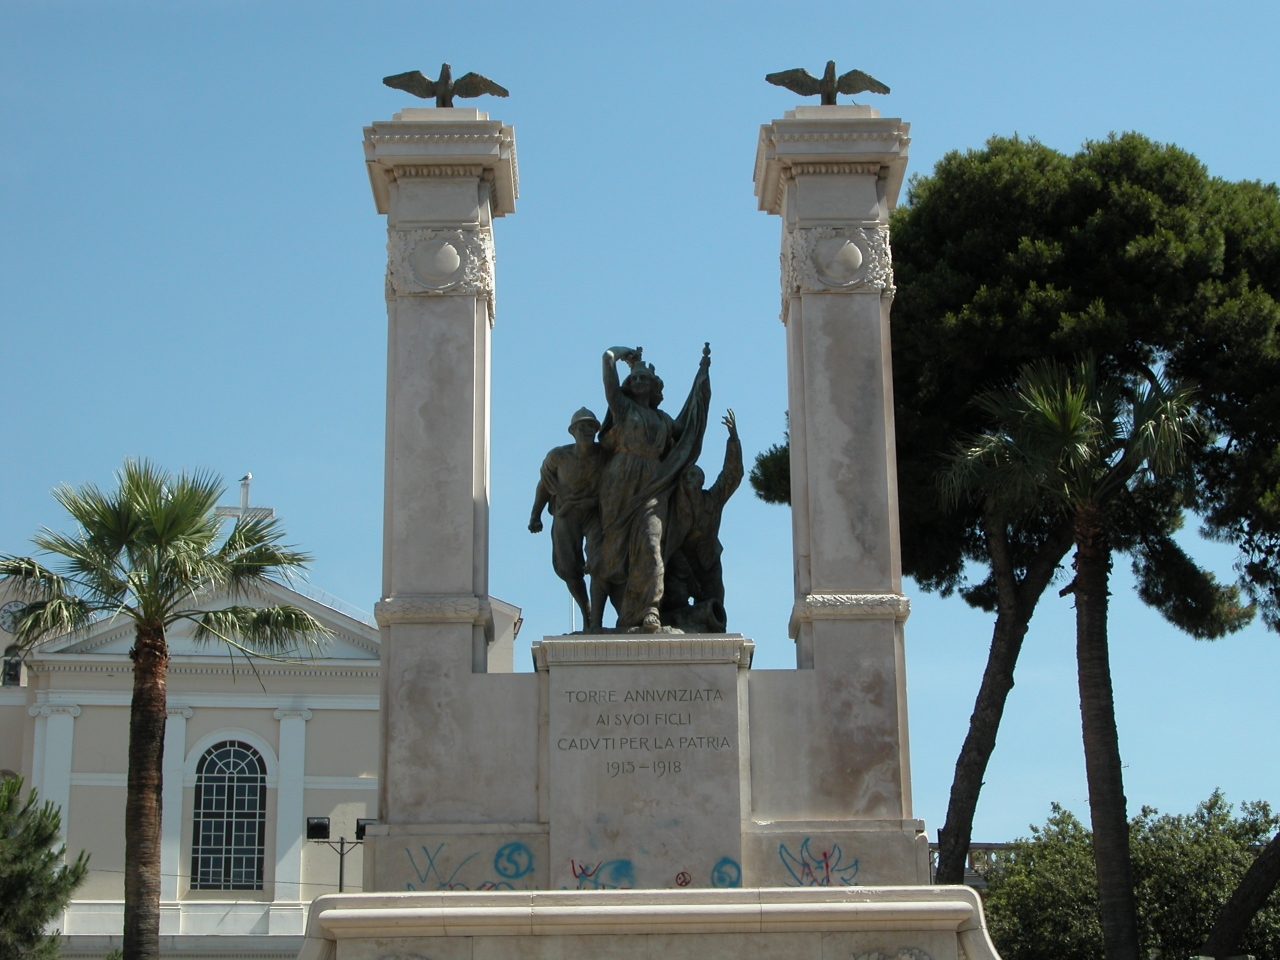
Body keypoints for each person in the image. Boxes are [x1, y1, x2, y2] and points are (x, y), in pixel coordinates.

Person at [595, 345, 711, 632]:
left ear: (655, 387)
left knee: (650, 541)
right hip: (619, 482)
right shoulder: (622, 408)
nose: (637, 382)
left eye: (643, 379)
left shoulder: (663, 420)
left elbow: (686, 427)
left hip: (655, 482)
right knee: (615, 551)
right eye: (634, 378)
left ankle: (651, 609)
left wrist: (700, 386)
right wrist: (624, 355)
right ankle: (622, 613)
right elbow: (607, 360)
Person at [529, 408, 607, 630]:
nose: (586, 430)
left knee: (599, 561)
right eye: (581, 427)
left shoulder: (605, 455)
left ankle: (596, 621)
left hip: (595, 514)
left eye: (591, 426)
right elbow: (544, 485)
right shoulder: (558, 456)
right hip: (566, 515)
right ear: (572, 431)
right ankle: (586, 611)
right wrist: (536, 515)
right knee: (567, 568)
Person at [666, 409, 742, 615]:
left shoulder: (713, 499)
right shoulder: (672, 506)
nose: (690, 478)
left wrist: (733, 439)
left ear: (702, 480)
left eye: (695, 474)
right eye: (686, 475)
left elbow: (731, 476)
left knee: (714, 607)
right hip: (680, 563)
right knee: (674, 602)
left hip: (708, 561)